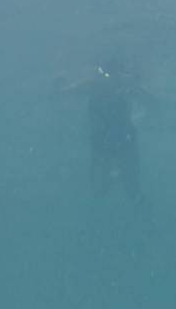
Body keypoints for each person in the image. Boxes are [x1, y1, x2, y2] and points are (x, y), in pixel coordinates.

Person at [58, 57, 153, 202]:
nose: (112, 79)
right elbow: (152, 102)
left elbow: (64, 92)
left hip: (110, 139)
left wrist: (58, 87)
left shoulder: (96, 85)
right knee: (114, 188)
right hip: (116, 139)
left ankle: (116, 177)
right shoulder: (109, 84)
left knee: (119, 188)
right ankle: (116, 177)